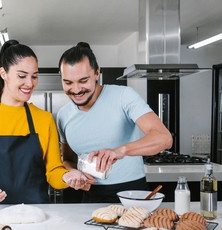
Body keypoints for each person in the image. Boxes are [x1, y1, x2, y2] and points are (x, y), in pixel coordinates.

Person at [0, 40, 92, 204]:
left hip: (36, 212)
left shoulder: (44, 119)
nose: (30, 83)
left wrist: (67, 176)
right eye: (22, 76)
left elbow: (53, 170)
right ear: (4, 74)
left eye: (34, 76)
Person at [56, 42, 173, 203]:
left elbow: (164, 138)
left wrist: (121, 151)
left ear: (97, 73)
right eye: (68, 82)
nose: (76, 90)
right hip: (90, 195)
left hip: (132, 193)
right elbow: (68, 160)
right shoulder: (63, 115)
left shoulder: (124, 96)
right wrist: (73, 172)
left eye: (83, 80)